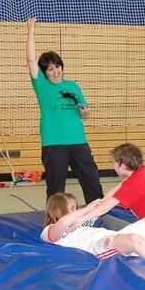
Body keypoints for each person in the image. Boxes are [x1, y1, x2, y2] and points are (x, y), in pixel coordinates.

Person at [26, 17, 104, 204]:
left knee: (92, 182)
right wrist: (30, 30)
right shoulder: (42, 86)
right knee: (56, 188)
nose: (55, 71)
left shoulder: (73, 86)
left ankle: (99, 215)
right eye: (50, 69)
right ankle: (54, 223)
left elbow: (85, 110)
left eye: (57, 67)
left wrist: (86, 112)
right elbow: (30, 59)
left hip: (78, 142)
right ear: (45, 73)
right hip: (54, 144)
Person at [41, 192, 145, 275]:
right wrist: (87, 208)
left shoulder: (83, 219)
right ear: (59, 210)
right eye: (72, 208)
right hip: (101, 247)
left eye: (76, 207)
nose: (76, 210)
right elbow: (63, 222)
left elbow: (105, 202)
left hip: (117, 238)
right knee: (135, 239)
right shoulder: (50, 230)